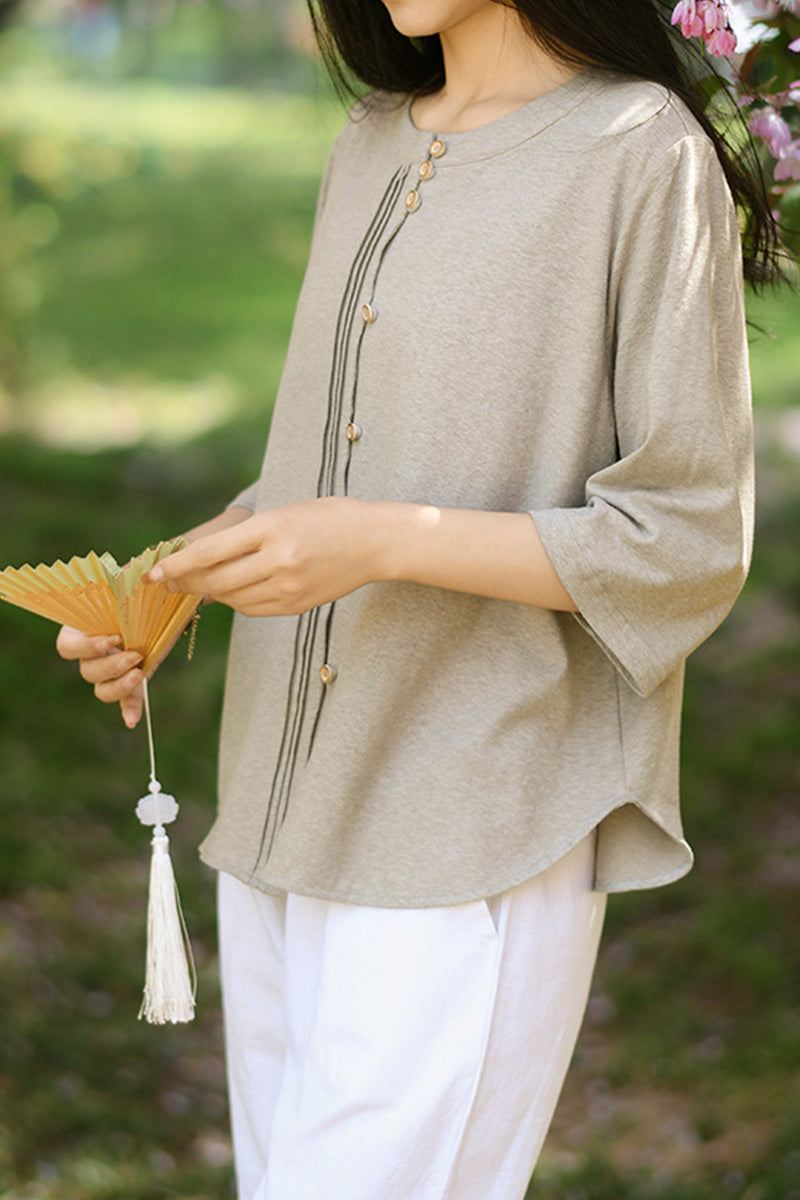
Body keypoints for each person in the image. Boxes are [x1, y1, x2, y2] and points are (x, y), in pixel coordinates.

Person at [56, 1, 779, 1196]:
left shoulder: (639, 150)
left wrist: (378, 544)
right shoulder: (372, 141)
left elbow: (684, 536)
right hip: (286, 798)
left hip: (473, 803)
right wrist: (165, 589)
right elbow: (331, 469)